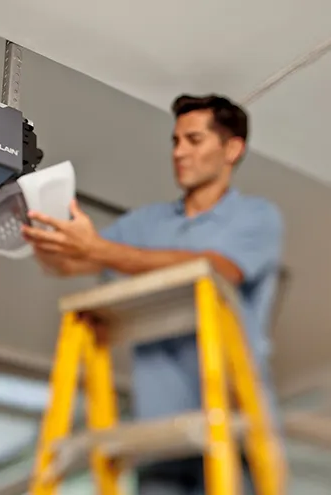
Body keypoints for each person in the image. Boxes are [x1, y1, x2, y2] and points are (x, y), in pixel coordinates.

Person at [21, 94, 285, 495]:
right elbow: (70, 264)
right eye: (175, 141)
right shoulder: (146, 223)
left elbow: (218, 268)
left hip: (233, 428)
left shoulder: (257, 216)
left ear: (232, 148)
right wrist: (42, 234)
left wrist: (101, 250)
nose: (179, 152)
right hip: (159, 437)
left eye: (194, 140)